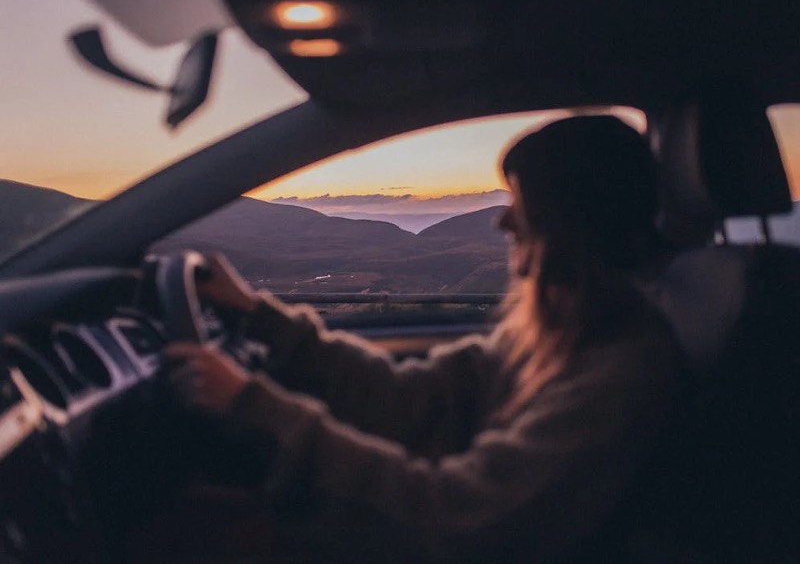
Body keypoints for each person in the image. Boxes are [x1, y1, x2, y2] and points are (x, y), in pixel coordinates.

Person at [163, 115, 683, 562]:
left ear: (571, 223)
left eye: (521, 204)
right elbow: (411, 399)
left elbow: (451, 521)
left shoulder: (621, 372)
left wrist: (254, 405)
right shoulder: (561, 335)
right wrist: (259, 318)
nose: (503, 221)